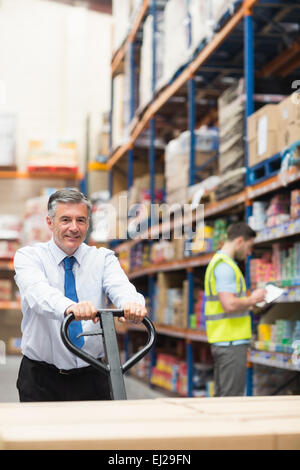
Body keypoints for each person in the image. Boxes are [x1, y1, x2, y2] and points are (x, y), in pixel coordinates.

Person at [14, 188, 147, 402]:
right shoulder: (29, 257)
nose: (74, 228)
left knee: (95, 435)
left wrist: (132, 304)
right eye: (65, 219)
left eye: (81, 220)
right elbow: (37, 292)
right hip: (41, 378)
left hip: (93, 374)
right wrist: (69, 308)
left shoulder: (103, 258)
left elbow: (121, 286)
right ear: (50, 222)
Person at [204, 222, 266, 397]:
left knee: (223, 398)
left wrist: (250, 303)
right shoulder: (225, 266)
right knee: (231, 399)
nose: (249, 252)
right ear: (239, 241)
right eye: (249, 246)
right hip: (230, 342)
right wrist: (253, 298)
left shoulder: (221, 263)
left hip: (224, 340)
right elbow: (229, 304)